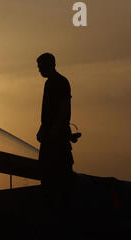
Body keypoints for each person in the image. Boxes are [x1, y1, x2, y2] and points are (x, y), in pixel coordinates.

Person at [36, 53, 74, 209]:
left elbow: (65, 108)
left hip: (56, 139)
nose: (39, 70)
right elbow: (47, 112)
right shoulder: (49, 83)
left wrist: (55, 130)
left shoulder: (60, 82)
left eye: (40, 66)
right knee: (46, 174)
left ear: (50, 64)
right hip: (49, 136)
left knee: (60, 176)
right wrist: (43, 129)